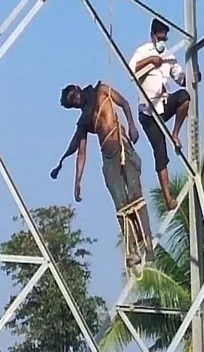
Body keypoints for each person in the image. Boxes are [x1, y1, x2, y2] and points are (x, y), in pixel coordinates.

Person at [49, 81, 155, 268]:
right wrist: (77, 181)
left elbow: (123, 103)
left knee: (135, 195)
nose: (76, 100)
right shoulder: (84, 120)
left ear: (78, 89)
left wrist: (132, 125)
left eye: (74, 96)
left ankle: (148, 244)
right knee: (121, 204)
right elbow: (80, 151)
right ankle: (132, 249)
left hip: (122, 146)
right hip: (108, 157)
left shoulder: (101, 91)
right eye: (72, 102)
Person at [128, 18, 201, 210]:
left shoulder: (169, 56)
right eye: (160, 37)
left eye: (165, 38)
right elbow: (131, 68)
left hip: (164, 104)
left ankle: (175, 133)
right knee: (160, 153)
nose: (162, 41)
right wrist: (151, 61)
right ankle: (168, 197)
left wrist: (193, 77)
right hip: (148, 111)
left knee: (184, 97)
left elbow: (180, 79)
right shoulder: (142, 51)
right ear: (153, 36)